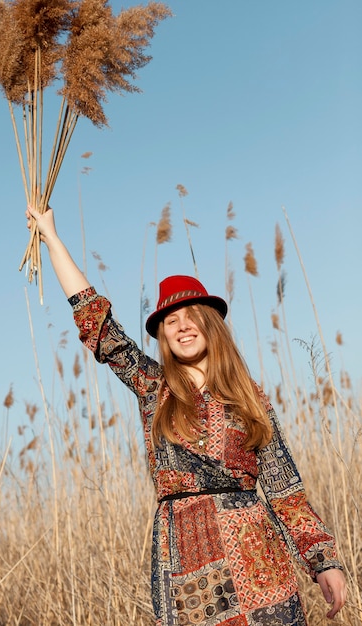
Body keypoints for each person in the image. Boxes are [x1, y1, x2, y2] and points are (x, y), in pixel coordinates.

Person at [26, 205, 347, 626]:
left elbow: (286, 491)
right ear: (163, 337)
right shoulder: (153, 389)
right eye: (170, 321)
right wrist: (51, 237)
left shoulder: (251, 399)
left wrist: (324, 561)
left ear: (211, 322)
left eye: (192, 316)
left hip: (258, 559)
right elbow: (100, 328)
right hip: (184, 563)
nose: (182, 327)